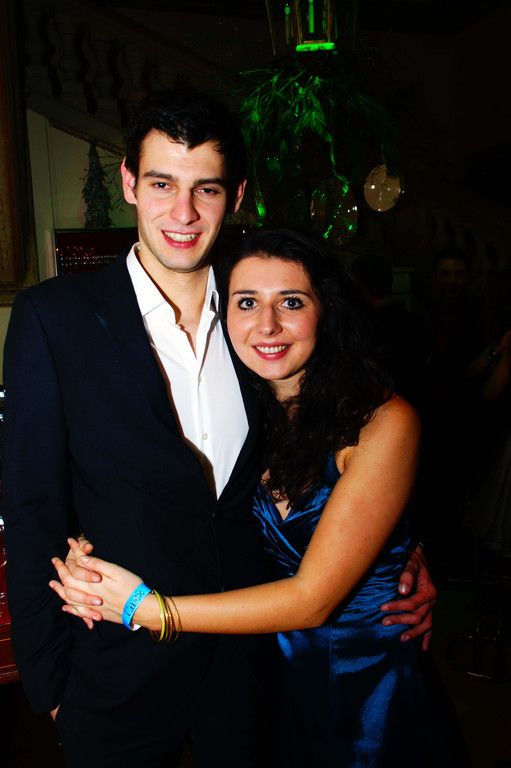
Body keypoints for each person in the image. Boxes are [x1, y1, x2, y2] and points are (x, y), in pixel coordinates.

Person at [2, 90, 434, 768]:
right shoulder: (53, 317)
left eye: (205, 189)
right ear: (128, 183)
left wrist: (393, 557)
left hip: (253, 670)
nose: (183, 213)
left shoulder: (256, 311)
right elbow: (31, 507)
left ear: (235, 196)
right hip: (112, 672)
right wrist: (51, 687)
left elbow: (330, 443)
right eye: (162, 184)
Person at [51, 228, 454, 767]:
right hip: (271, 681)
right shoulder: (249, 415)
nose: (267, 324)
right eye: (246, 302)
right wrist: (86, 545)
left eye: (291, 302)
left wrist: (148, 609)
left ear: (327, 311)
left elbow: (313, 599)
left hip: (365, 687)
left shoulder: (383, 422)